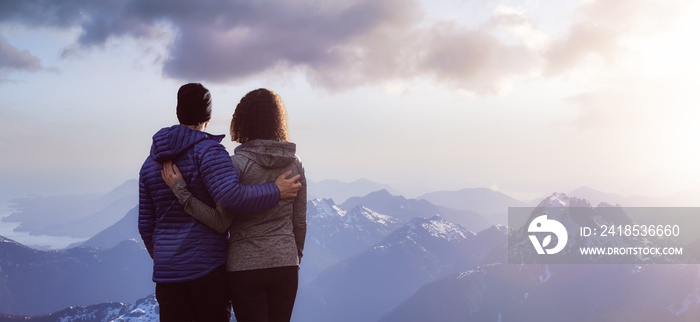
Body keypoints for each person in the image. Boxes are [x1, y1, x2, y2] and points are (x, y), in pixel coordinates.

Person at [138, 83, 301, 322]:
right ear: (208, 116)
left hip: (167, 275)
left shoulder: (151, 164)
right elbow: (231, 197)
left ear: (178, 111)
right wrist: (275, 190)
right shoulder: (210, 153)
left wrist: (167, 256)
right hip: (207, 270)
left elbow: (145, 225)